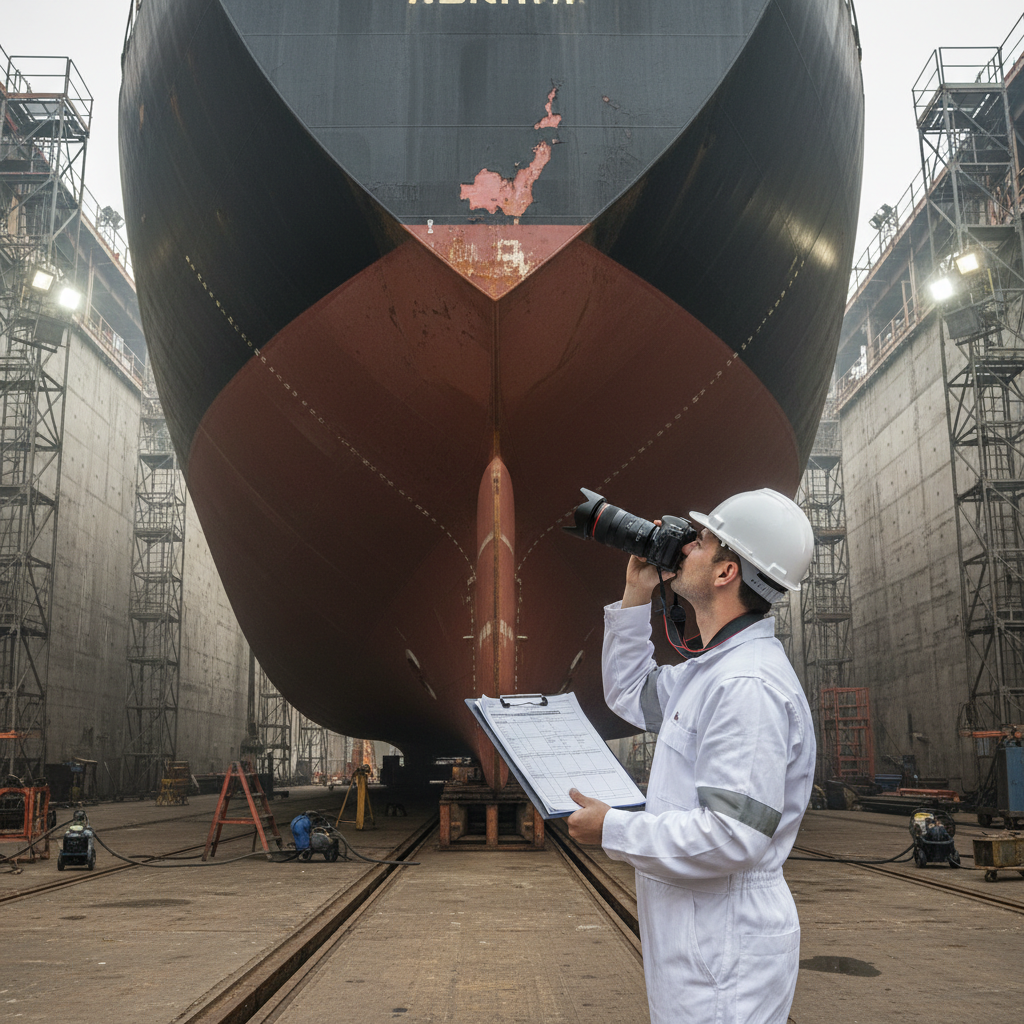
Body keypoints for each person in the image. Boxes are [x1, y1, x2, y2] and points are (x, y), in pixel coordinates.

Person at [568, 488, 816, 1023]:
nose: (683, 547)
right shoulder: (713, 671)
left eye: (701, 541)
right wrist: (636, 595)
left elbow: (733, 836)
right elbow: (629, 693)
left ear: (726, 572)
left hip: (725, 949)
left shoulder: (747, 685)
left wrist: (612, 828)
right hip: (701, 935)